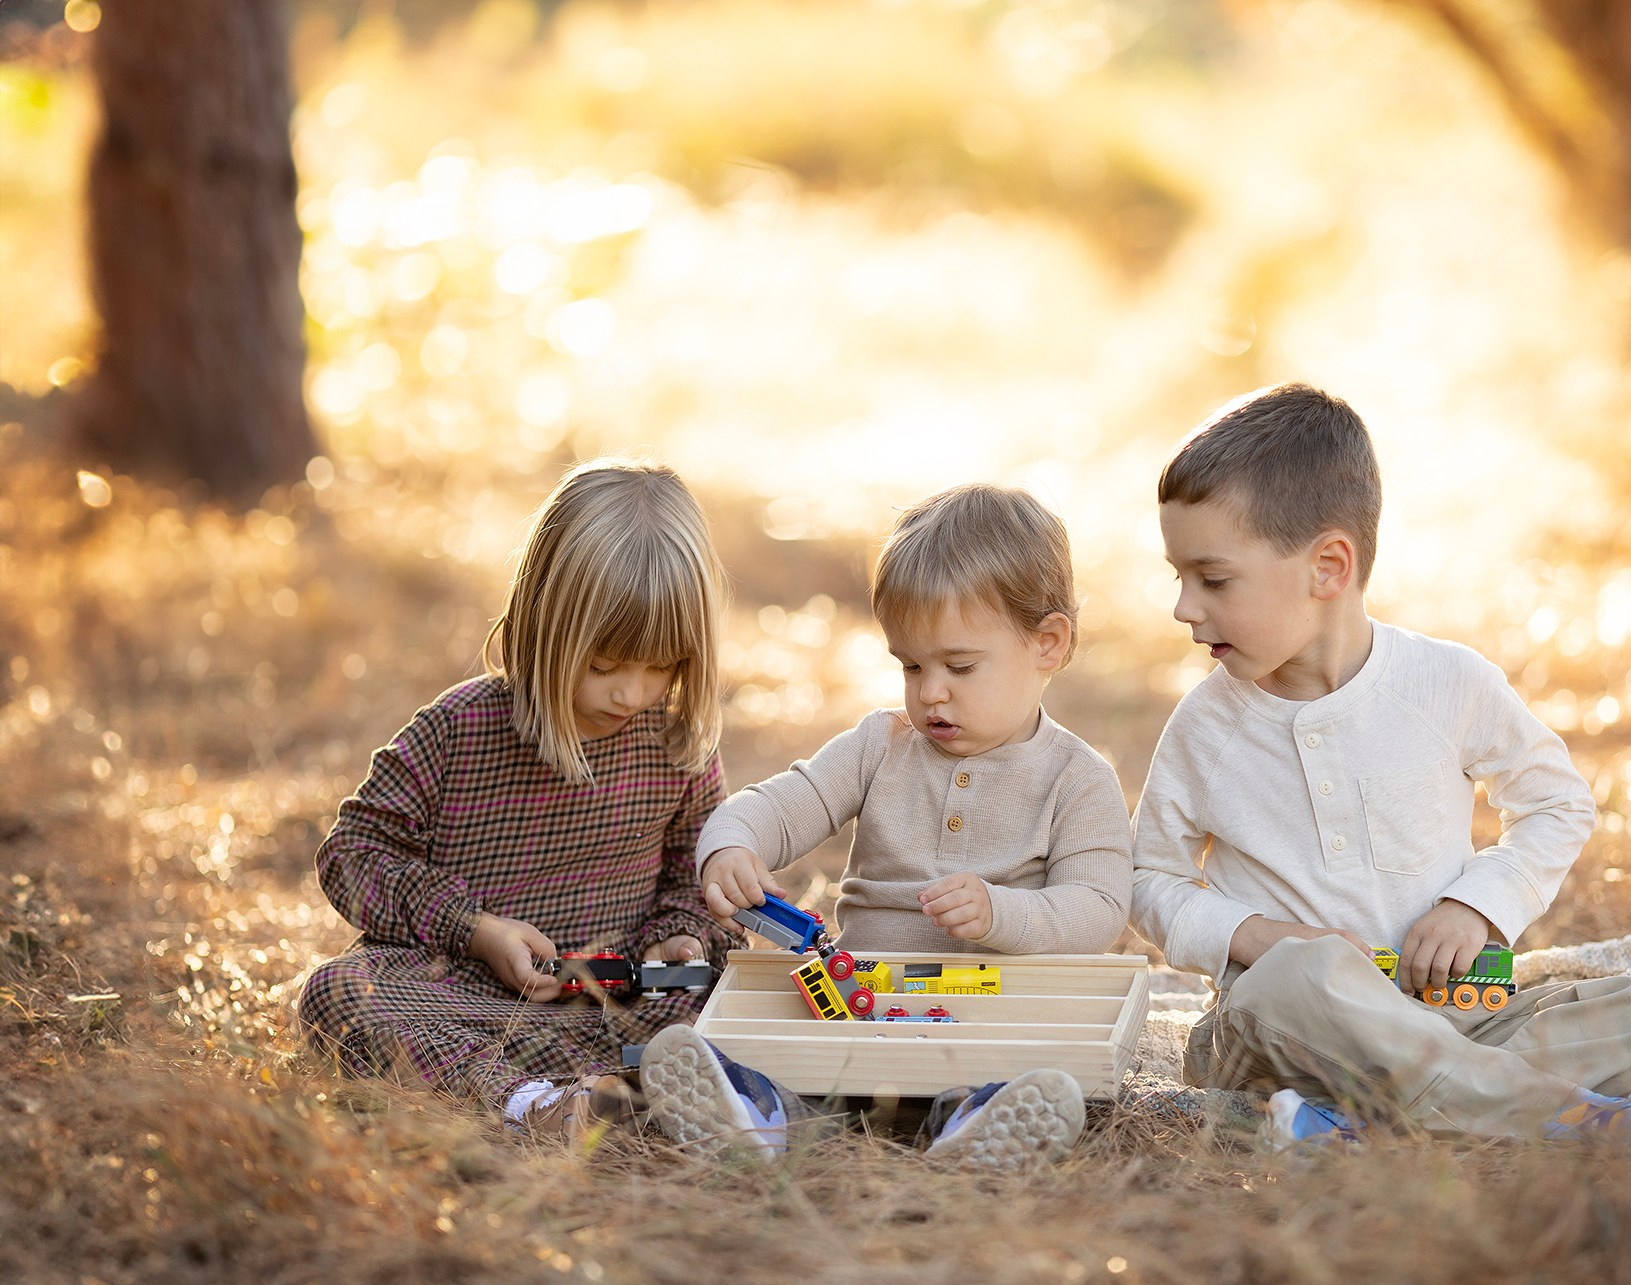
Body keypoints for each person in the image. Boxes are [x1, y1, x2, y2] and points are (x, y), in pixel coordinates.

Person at [1129, 384, 1631, 1149]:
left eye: (1213, 579)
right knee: (1300, 979)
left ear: (1329, 567)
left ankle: (1353, 1122)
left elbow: (1555, 803)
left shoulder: (1446, 684)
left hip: (1449, 1012)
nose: (1185, 608)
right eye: (1180, 578)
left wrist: (1476, 906)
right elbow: (1147, 876)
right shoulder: (1207, 726)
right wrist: (1256, 936)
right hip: (1273, 1038)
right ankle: (1553, 1117)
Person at [640, 483, 1133, 1169]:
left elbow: (1100, 909)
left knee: (1004, 1069)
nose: (931, 690)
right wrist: (733, 842)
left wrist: (1002, 911)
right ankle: (758, 1113)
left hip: (987, 1009)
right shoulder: (881, 745)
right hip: (860, 1004)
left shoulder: (1077, 778)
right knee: (798, 1056)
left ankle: (973, 1122)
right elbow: (788, 800)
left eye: (960, 666)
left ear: (1048, 644)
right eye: (911, 665)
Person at [298, 460, 740, 1143]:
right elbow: (352, 856)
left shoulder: (676, 738)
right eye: (603, 666)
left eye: (662, 667)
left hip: (618, 994)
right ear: (544, 624)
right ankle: (541, 1104)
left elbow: (695, 867)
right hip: (470, 995)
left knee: (748, 983)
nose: (631, 693)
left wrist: (679, 932)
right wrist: (475, 929)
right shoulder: (459, 730)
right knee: (340, 995)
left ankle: (659, 1084)